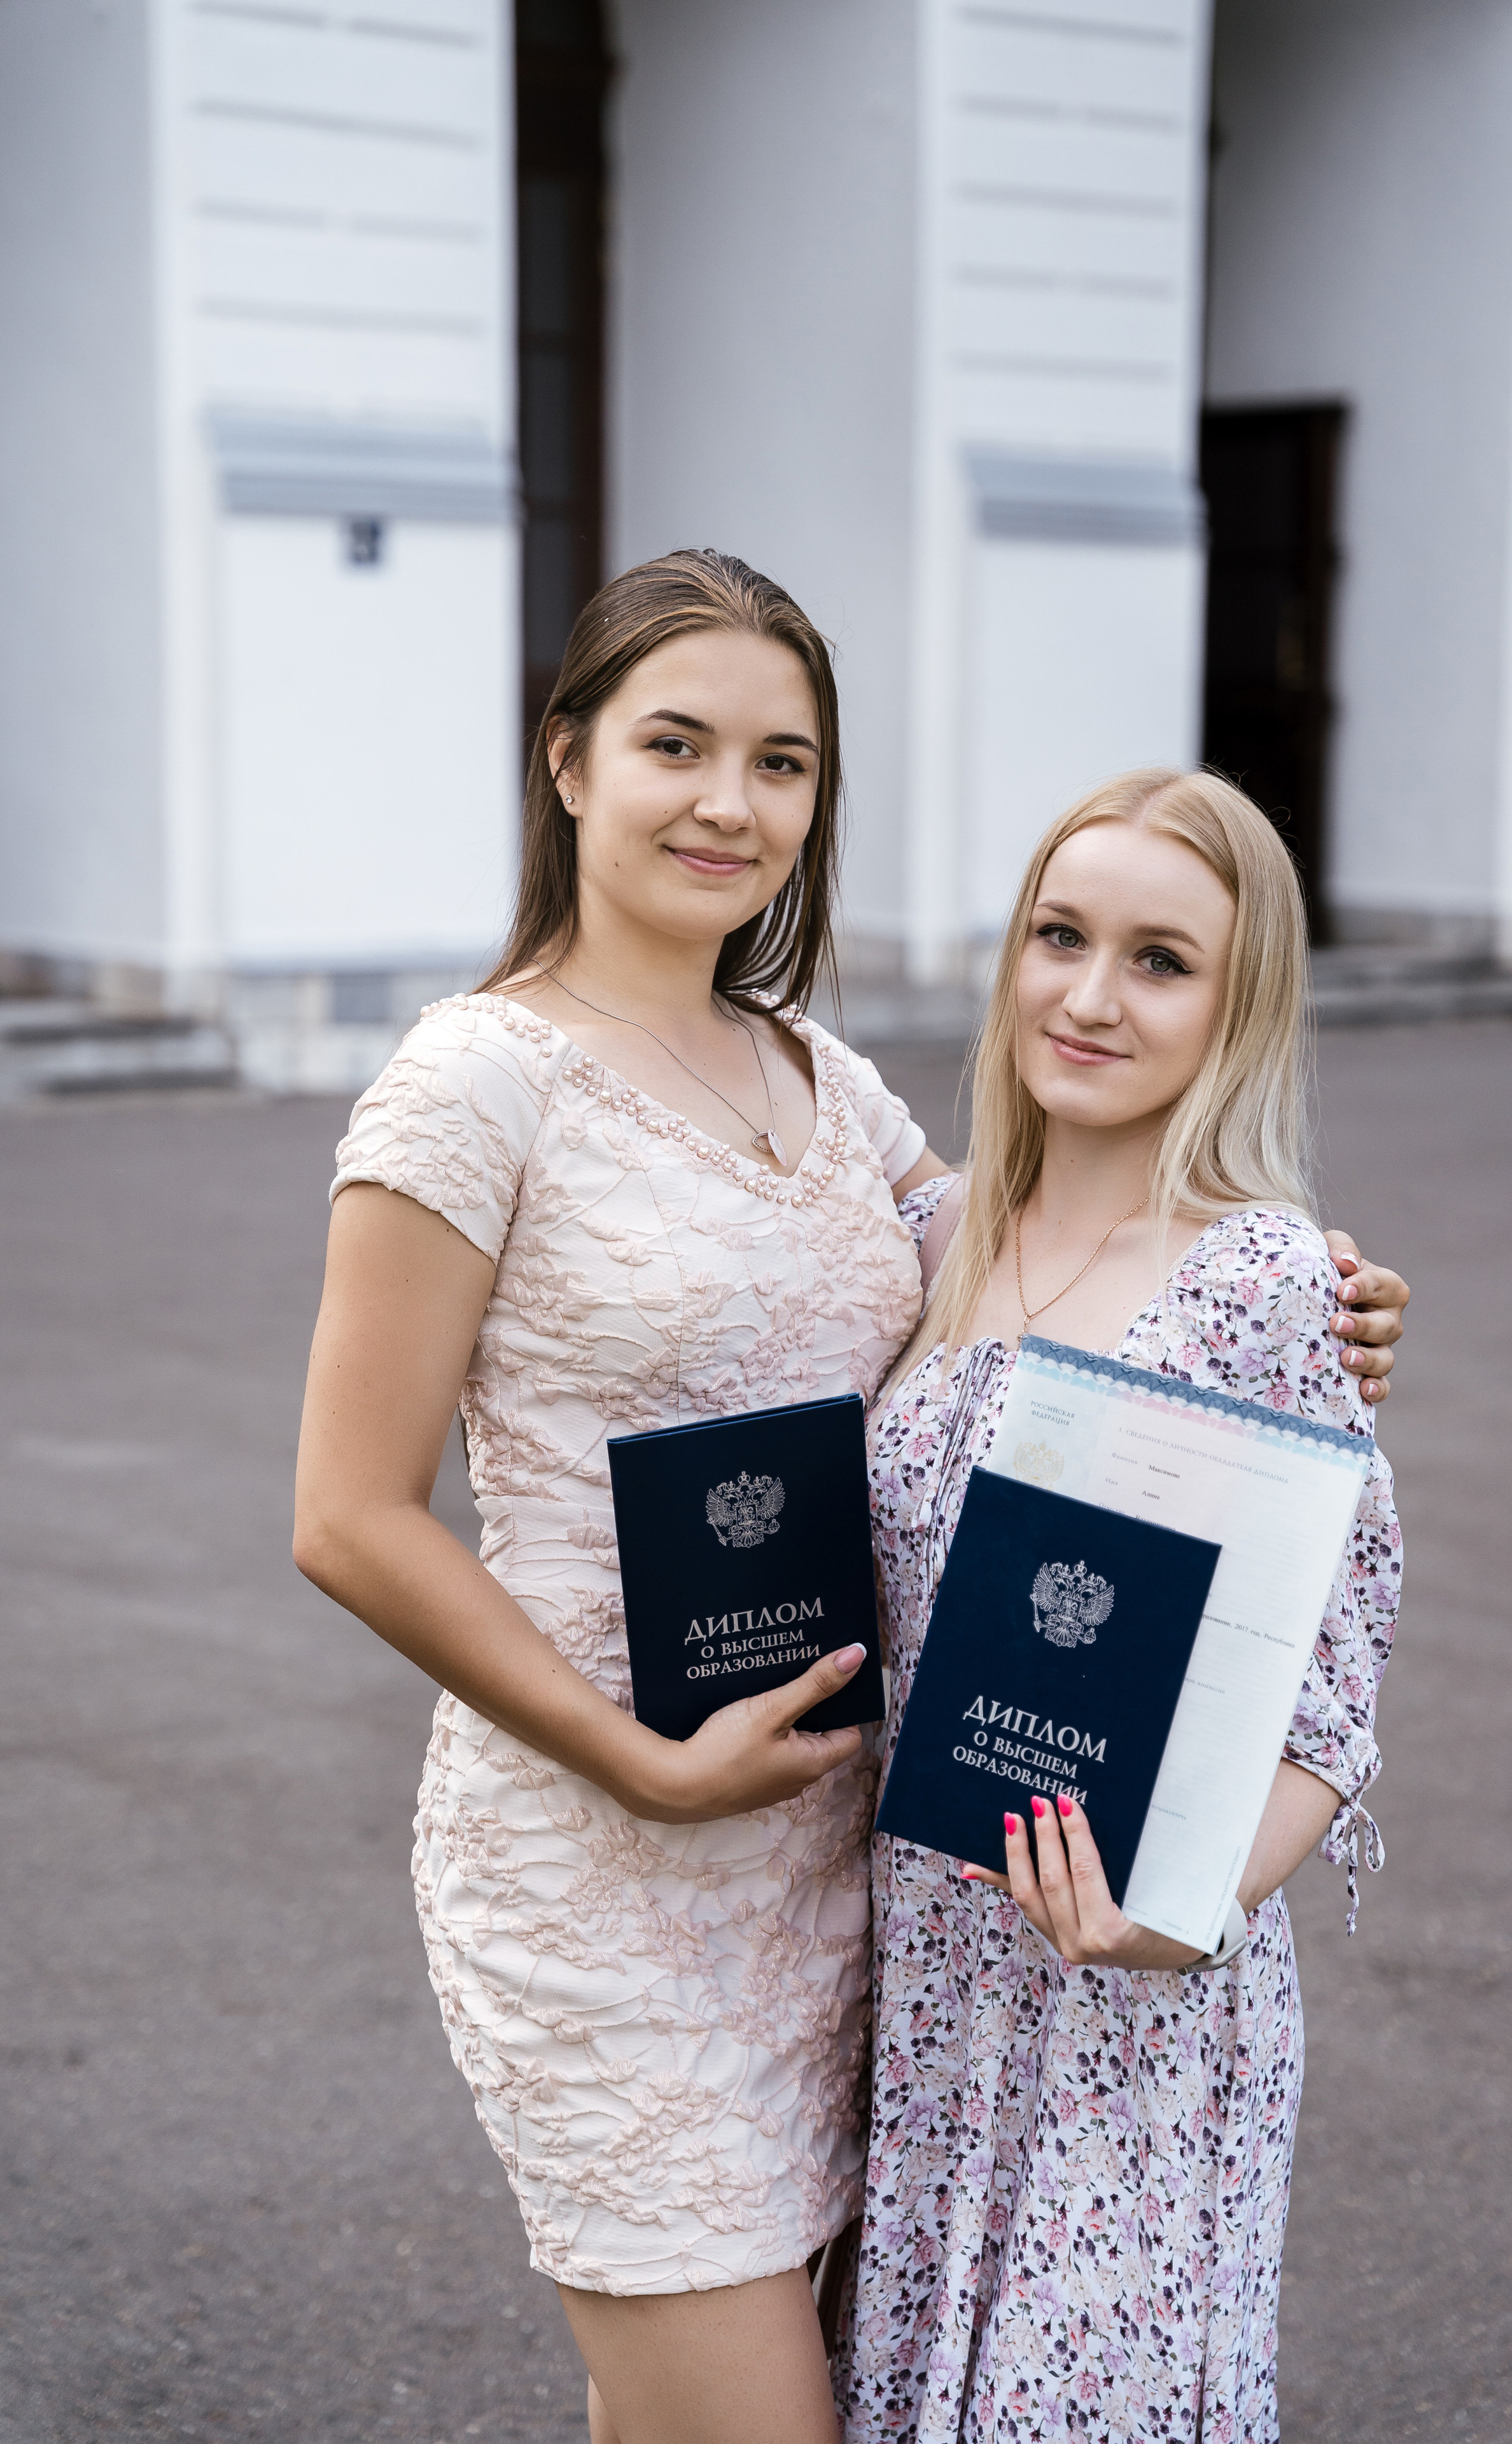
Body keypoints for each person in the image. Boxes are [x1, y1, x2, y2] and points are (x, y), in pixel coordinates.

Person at [292, 556, 1408, 2444]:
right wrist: (637, 1762)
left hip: (843, 1876)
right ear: (567, 764)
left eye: (783, 761)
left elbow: (1033, 1259)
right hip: (604, 1857)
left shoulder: (818, 1079)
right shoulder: (472, 1085)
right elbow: (347, 1515)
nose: (731, 802)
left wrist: (1299, 1279)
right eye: (676, 744)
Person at [832, 766, 1403, 2443]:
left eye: (1160, 961)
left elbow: (1335, 1686)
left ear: (1242, 1005)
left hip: (1128, 1996)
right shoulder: (943, 1243)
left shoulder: (1266, 1281)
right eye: (1059, 937)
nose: (1088, 996)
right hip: (930, 1967)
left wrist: (1190, 1912)